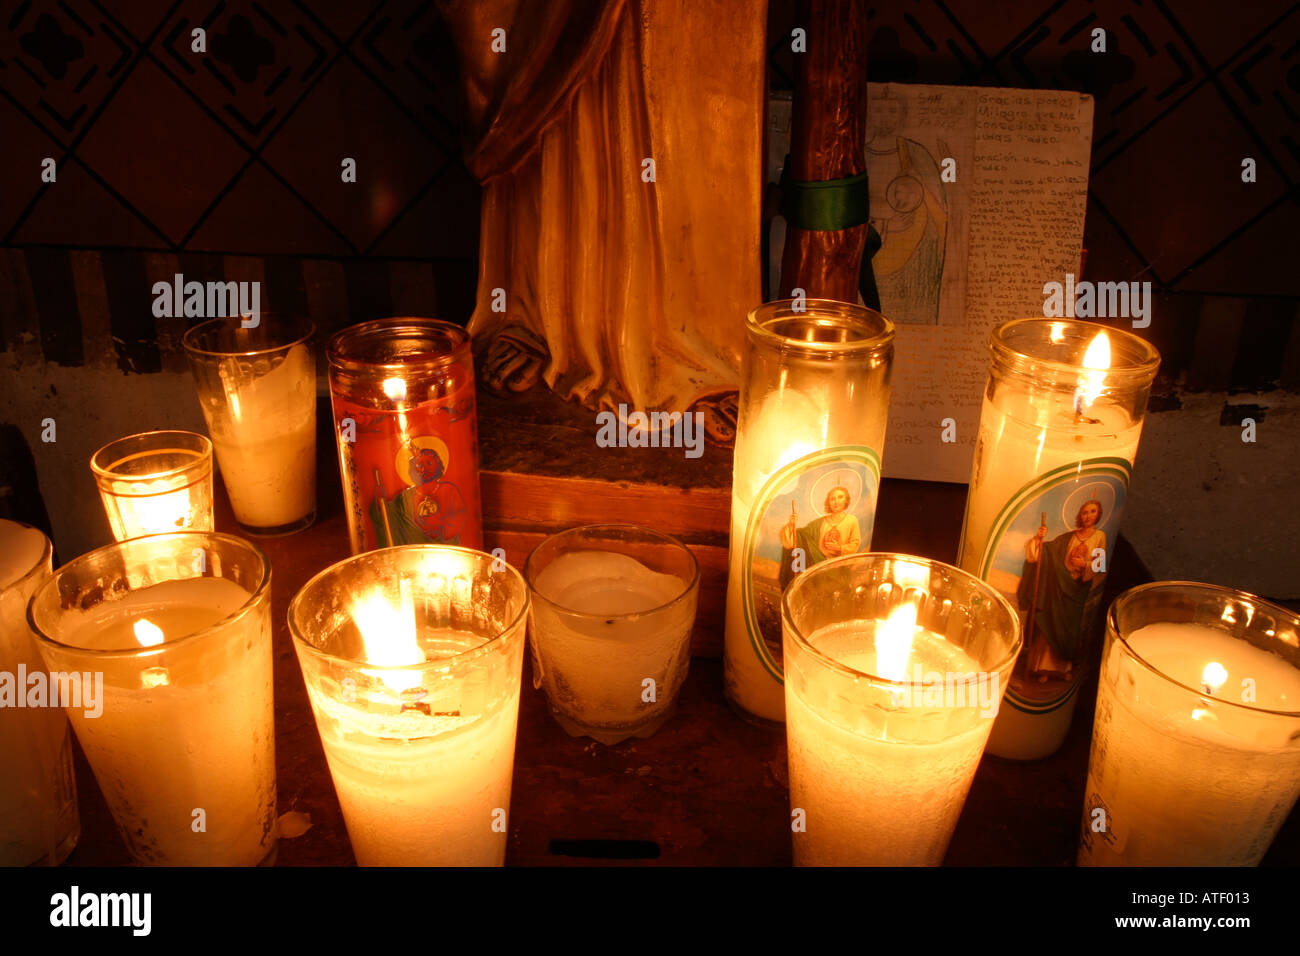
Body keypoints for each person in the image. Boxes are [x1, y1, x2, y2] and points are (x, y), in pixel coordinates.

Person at [1018, 499, 1106, 682]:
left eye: (1092, 511)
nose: (1088, 515)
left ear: (1098, 515)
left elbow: (1100, 564)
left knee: (1067, 629)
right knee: (1049, 623)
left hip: (1076, 589)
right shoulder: (1069, 537)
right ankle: (1041, 667)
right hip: (1057, 586)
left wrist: (1085, 564)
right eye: (1085, 512)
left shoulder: (1100, 537)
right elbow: (1046, 552)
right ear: (1079, 515)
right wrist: (1038, 539)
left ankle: (1061, 669)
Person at [778, 486, 861, 590]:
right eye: (832, 499)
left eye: (840, 497)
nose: (836, 502)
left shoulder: (852, 520)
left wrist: (839, 548)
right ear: (828, 502)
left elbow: (855, 544)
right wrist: (791, 524)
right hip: (820, 566)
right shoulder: (820, 523)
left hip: (841, 567)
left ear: (846, 500)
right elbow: (800, 536)